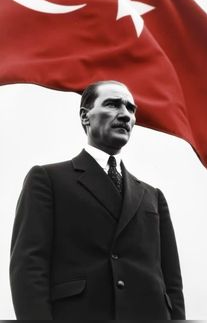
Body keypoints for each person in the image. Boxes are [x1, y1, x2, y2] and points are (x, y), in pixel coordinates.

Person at [10, 80, 185, 320]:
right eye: (113, 105)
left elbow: (172, 284)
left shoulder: (152, 196)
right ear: (85, 116)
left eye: (131, 109)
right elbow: (28, 268)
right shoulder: (48, 180)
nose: (125, 115)